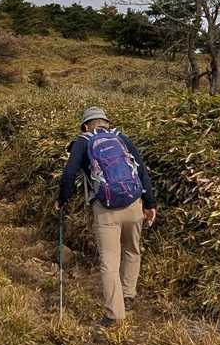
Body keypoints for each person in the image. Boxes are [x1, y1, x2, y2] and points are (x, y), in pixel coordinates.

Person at [56, 106, 157, 326]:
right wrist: (150, 204)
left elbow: (69, 173)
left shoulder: (83, 141)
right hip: (134, 204)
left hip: (105, 209)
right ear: (107, 123)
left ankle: (114, 315)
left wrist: (62, 200)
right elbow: (141, 170)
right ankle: (128, 296)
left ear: (85, 126)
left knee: (109, 261)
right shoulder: (121, 138)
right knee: (132, 250)